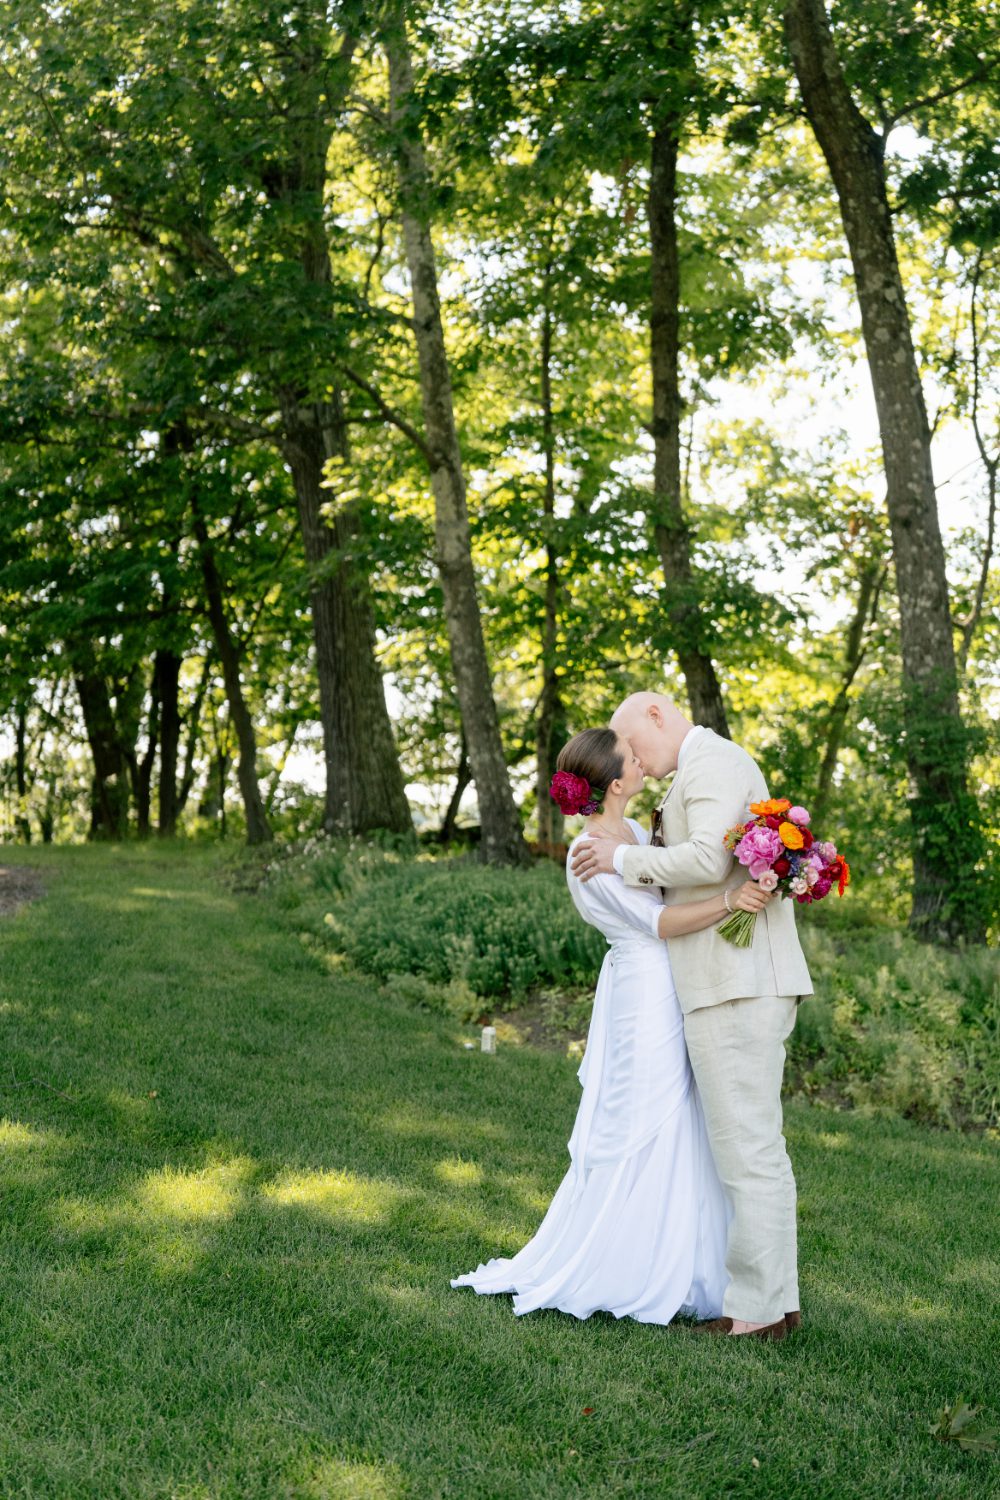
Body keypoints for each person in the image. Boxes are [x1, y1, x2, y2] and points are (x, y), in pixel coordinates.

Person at [450, 727, 773, 1327]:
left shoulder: (632, 835)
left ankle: (686, 1261)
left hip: (672, 982)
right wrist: (732, 903)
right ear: (617, 782)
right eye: (631, 756)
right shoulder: (588, 853)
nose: (642, 758)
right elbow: (659, 924)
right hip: (643, 992)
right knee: (641, 1115)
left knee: (680, 1117)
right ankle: (622, 1264)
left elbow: (677, 873)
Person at [570, 693, 814, 1342]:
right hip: (726, 980)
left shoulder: (711, 763)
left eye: (633, 745)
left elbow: (707, 859)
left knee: (748, 1151)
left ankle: (756, 1313)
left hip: (737, 983)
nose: (635, 762)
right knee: (751, 1147)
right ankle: (774, 1300)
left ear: (657, 714)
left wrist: (621, 858)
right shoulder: (701, 768)